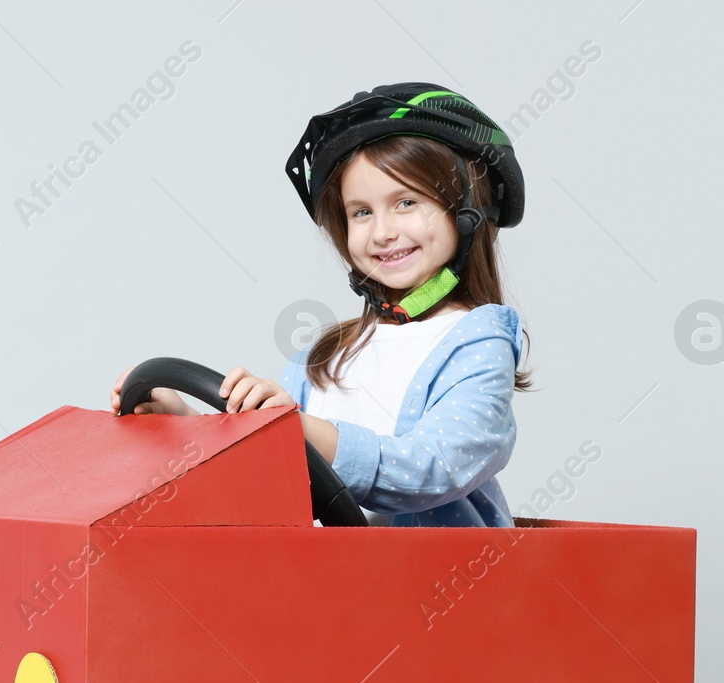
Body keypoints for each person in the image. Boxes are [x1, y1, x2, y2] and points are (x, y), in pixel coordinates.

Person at [110, 83, 530, 527]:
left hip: (443, 588)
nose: (382, 231)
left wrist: (296, 428)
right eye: (361, 212)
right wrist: (187, 424)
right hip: (335, 587)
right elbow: (275, 485)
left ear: (466, 214)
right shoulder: (324, 357)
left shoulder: (475, 341)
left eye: (406, 202)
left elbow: (432, 468)